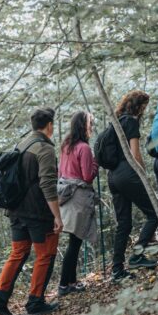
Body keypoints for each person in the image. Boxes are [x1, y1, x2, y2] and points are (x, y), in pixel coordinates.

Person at [0, 107, 63, 315]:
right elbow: (48, 184)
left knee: (18, 252)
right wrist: (57, 215)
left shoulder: (21, 145)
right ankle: (35, 302)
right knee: (45, 254)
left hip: (16, 211)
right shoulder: (45, 149)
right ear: (49, 125)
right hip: (38, 213)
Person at [106, 90, 158, 281]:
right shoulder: (131, 122)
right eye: (144, 106)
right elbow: (135, 154)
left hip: (112, 176)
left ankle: (117, 271)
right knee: (155, 213)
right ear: (139, 106)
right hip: (128, 173)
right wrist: (144, 176)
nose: (145, 110)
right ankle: (137, 255)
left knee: (124, 224)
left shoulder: (116, 122)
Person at [57, 111, 98, 295]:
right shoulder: (84, 148)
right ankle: (65, 285)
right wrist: (96, 164)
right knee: (75, 242)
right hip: (78, 198)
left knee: (74, 240)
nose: (92, 127)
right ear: (83, 126)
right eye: (90, 123)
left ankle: (70, 281)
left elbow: (60, 172)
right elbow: (88, 176)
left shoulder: (66, 145)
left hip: (65, 196)